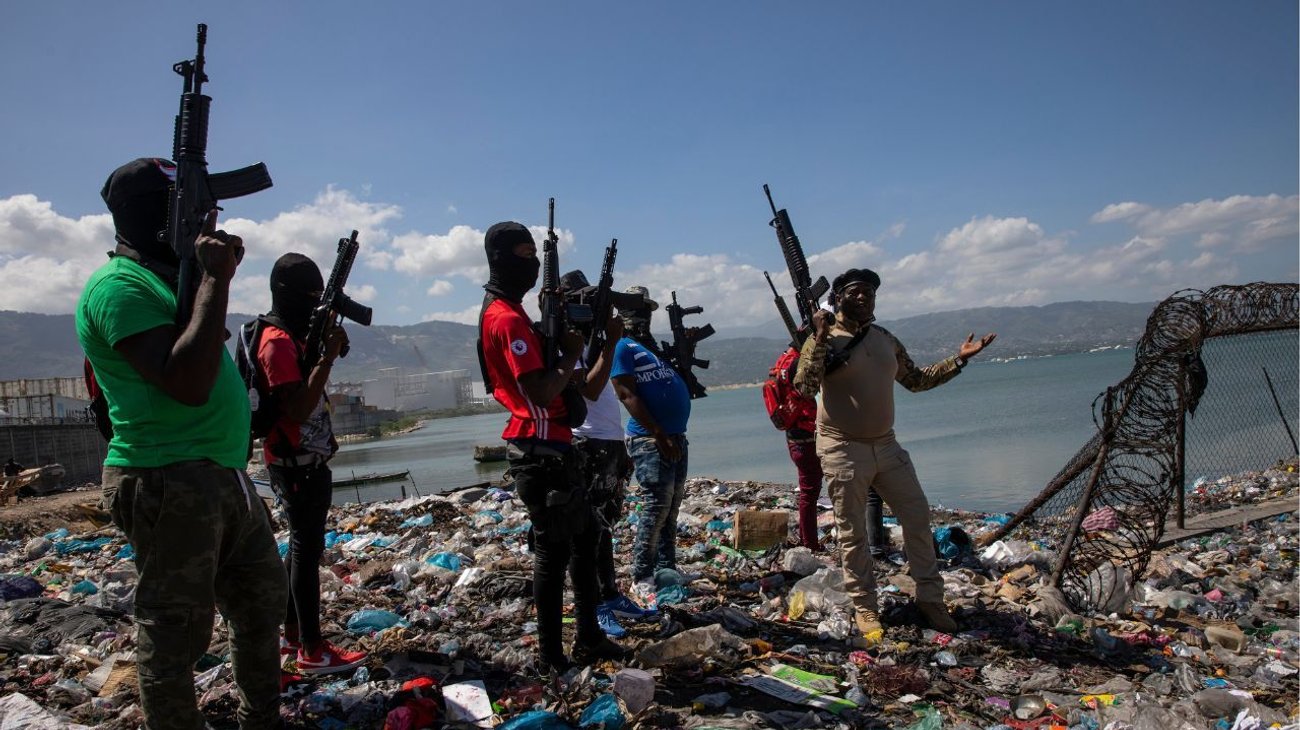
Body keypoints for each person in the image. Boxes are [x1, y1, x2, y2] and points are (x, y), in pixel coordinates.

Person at [75, 158, 286, 729]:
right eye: (193, 211)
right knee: (175, 632)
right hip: (167, 477)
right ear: (155, 215)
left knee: (262, 601)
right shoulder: (119, 285)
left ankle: (261, 719)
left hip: (220, 476)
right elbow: (187, 382)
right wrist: (215, 278)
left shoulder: (169, 281)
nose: (207, 223)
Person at [793, 268, 994, 642]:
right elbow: (803, 386)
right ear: (836, 299)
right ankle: (866, 607)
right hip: (841, 446)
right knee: (853, 533)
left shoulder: (885, 339)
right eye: (854, 291)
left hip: (886, 444)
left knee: (917, 515)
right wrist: (819, 336)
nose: (864, 297)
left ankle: (930, 599)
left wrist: (960, 360)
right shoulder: (823, 338)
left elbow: (916, 380)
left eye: (870, 292)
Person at [477, 222, 623, 674]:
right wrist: (566, 353)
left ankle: (589, 638)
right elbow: (540, 392)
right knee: (551, 554)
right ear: (500, 258)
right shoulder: (505, 318)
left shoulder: (516, 315)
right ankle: (551, 656)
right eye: (524, 253)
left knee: (584, 541)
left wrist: (577, 347)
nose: (533, 263)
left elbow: (575, 387)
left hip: (555, 446)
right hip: (538, 449)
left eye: (535, 254)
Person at [251, 253, 368, 675]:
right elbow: (298, 408)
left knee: (301, 549)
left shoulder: (294, 338)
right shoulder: (277, 343)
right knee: (305, 551)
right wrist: (328, 356)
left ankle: (292, 635)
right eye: (311, 295)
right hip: (294, 462)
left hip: (304, 458)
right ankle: (313, 650)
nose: (316, 301)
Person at [559, 272, 658, 639]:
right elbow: (589, 389)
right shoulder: (565, 342)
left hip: (610, 442)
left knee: (603, 528)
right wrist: (611, 342)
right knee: (585, 533)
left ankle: (611, 594)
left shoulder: (591, 338)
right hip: (586, 443)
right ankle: (595, 606)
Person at [610, 286, 692, 606]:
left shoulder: (649, 346)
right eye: (639, 309)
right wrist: (658, 433)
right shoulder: (621, 346)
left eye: (648, 310)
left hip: (675, 437)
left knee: (671, 508)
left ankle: (666, 567)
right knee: (655, 507)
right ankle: (641, 574)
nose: (644, 315)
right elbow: (626, 394)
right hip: (650, 440)